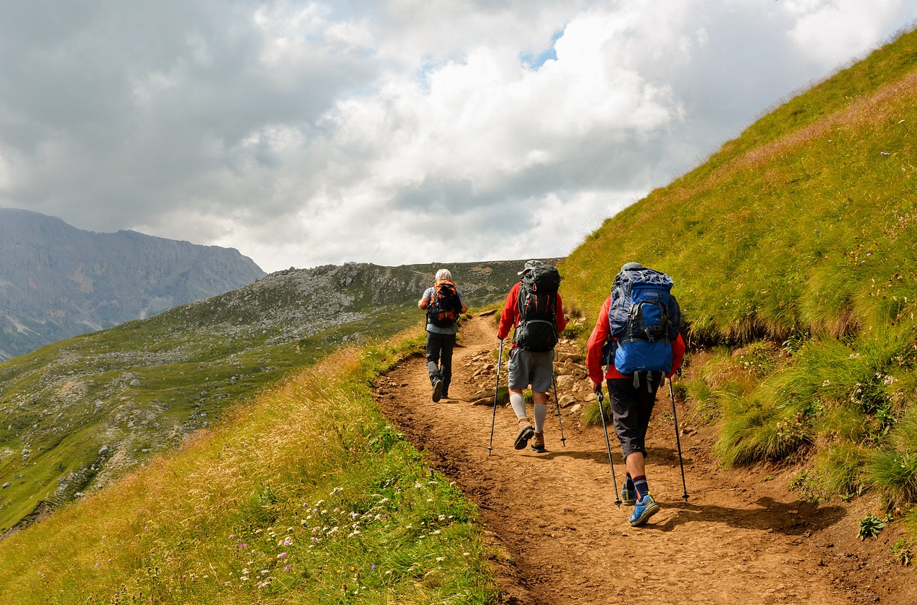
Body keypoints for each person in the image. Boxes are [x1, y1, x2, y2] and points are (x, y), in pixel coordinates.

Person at [585, 262, 685, 526]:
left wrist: (596, 377)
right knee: (638, 432)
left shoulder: (614, 300)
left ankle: (643, 497)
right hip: (652, 374)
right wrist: (668, 371)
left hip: (620, 374)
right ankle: (630, 488)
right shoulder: (664, 300)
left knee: (628, 436)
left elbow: (595, 341)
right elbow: (678, 343)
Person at [497, 260, 566, 453]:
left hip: (522, 345)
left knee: (514, 387)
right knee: (539, 392)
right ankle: (539, 436)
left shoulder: (518, 288)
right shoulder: (554, 294)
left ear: (527, 273)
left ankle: (523, 422)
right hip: (545, 348)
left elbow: (506, 315)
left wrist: (502, 334)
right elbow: (560, 325)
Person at [418, 269, 468, 402]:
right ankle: (444, 392)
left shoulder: (430, 290)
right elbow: (463, 310)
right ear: (450, 278)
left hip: (433, 330)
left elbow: (422, 305)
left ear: (437, 279)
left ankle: (435, 380)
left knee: (431, 359)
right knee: (446, 360)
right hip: (450, 332)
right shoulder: (456, 292)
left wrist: (424, 303)